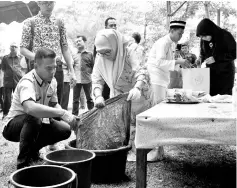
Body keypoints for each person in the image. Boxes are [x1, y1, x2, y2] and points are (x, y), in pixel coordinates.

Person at [2, 47, 77, 169]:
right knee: (34, 117)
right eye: (48, 68)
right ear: (36, 66)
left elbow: (53, 104)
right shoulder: (27, 82)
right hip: (13, 127)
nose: (53, 71)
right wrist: (62, 112)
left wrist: (69, 118)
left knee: (65, 130)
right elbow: (30, 108)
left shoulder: (52, 81)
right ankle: (23, 164)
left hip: (36, 122)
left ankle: (34, 152)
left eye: (54, 67)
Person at [92, 29, 152, 161]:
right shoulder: (100, 56)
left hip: (139, 90)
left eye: (108, 51)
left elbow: (142, 71)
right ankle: (128, 151)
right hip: (119, 93)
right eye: (101, 53)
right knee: (124, 122)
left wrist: (137, 88)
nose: (105, 55)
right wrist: (98, 96)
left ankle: (145, 153)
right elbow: (96, 78)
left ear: (115, 45)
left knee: (141, 121)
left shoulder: (130, 50)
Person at [147, 20, 191, 161]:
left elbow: (169, 64)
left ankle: (159, 149)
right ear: (171, 31)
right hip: (156, 79)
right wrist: (179, 62)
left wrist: (181, 65)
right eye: (179, 33)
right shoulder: (163, 43)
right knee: (156, 113)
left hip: (161, 79)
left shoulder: (170, 44)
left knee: (159, 112)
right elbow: (159, 62)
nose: (180, 36)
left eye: (182, 33)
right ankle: (153, 149)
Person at [20, 1, 76, 93]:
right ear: (39, 3)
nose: (49, 6)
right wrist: (40, 59)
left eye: (51, 2)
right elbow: (23, 49)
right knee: (38, 102)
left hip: (56, 67)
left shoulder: (59, 22)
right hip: (38, 67)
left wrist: (72, 71)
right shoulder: (30, 22)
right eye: (45, 2)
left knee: (57, 101)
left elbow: (65, 48)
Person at [196, 18, 236, 96]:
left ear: (210, 31)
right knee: (210, 99)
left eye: (204, 36)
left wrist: (216, 58)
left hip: (225, 74)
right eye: (201, 37)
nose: (203, 39)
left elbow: (234, 53)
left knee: (224, 99)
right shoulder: (204, 39)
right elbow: (203, 52)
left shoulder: (225, 35)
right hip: (211, 74)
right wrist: (200, 58)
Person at [93, 17, 117, 101]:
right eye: (111, 25)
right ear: (106, 27)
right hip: (104, 74)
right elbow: (97, 57)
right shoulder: (101, 39)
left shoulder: (120, 42)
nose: (113, 27)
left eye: (115, 25)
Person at [72, 35, 94, 115]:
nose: (77, 43)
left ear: (84, 42)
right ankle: (74, 117)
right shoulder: (74, 55)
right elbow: (72, 66)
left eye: (79, 41)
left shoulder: (90, 54)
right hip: (76, 80)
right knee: (75, 100)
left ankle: (92, 115)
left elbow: (92, 66)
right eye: (76, 42)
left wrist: (88, 72)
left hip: (87, 79)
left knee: (89, 99)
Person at [1, 42, 24, 119]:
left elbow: (23, 68)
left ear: (17, 48)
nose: (13, 48)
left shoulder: (21, 57)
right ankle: (5, 114)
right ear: (9, 48)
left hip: (18, 81)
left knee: (19, 98)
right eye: (12, 46)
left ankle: (19, 113)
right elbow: (3, 68)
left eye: (15, 46)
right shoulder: (5, 58)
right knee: (7, 98)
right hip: (8, 81)